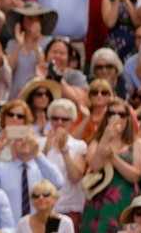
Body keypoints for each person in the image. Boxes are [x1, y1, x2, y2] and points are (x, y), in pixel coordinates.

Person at [81, 99, 141, 233]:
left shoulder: (136, 143)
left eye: (121, 114)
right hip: (98, 200)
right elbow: (95, 166)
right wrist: (105, 138)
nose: (116, 117)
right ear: (106, 117)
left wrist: (113, 157)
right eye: (111, 113)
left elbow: (136, 176)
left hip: (123, 200)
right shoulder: (96, 141)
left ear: (127, 119)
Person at [0, 121, 65, 224]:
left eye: (29, 138)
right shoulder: (1, 168)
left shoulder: (42, 167)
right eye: (19, 138)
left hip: (41, 229)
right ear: (12, 143)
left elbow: (58, 183)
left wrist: (37, 153)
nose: (24, 141)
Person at [41, 98, 86, 231]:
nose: (59, 122)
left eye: (64, 119)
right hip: (43, 207)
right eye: (55, 118)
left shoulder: (79, 145)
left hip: (69, 208)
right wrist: (45, 150)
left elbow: (75, 176)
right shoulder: (40, 143)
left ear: (72, 122)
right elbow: (35, 174)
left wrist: (64, 149)